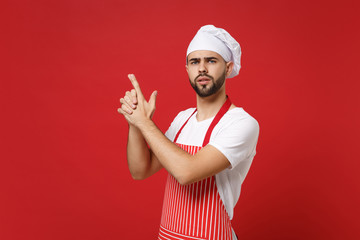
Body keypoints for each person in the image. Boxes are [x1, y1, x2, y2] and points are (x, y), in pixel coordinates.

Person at [118, 25, 259, 240]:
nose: (202, 68)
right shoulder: (182, 120)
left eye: (211, 61)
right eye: (195, 62)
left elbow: (187, 172)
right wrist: (135, 122)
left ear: (228, 68)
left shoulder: (241, 123)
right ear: (187, 69)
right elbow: (140, 171)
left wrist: (146, 124)